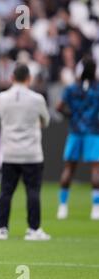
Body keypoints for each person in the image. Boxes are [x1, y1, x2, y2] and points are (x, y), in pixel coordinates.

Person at [0, 64, 51, 241]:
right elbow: (46, 121)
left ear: (12, 77)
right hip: (31, 153)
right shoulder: (37, 98)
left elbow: (3, 118)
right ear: (29, 78)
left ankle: (1, 229)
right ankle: (33, 229)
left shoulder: (2, 97)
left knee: (6, 192)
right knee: (33, 191)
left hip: (10, 152)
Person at [56, 58, 99, 220]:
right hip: (93, 132)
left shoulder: (72, 88)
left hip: (75, 131)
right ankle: (96, 208)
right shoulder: (97, 88)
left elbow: (59, 107)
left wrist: (72, 116)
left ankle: (62, 207)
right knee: (96, 169)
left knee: (69, 168)